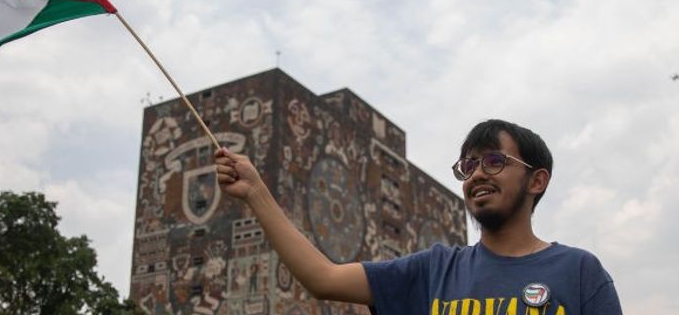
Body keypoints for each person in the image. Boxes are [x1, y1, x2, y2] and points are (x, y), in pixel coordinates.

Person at [214, 119, 622, 315]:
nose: (477, 173)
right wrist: (255, 193)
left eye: (495, 161)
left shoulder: (579, 271)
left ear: (537, 181)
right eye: (469, 165)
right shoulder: (433, 270)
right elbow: (323, 278)